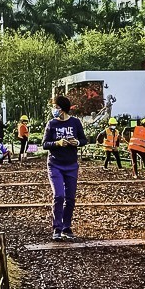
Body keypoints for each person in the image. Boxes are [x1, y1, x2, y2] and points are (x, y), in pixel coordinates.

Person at [43, 95, 86, 241]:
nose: (54, 110)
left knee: (70, 198)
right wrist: (57, 143)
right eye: (53, 107)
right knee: (59, 195)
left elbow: (84, 140)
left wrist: (77, 142)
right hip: (55, 164)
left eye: (56, 107)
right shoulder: (51, 124)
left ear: (63, 109)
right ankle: (57, 228)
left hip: (71, 165)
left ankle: (66, 227)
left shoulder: (75, 122)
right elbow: (45, 144)